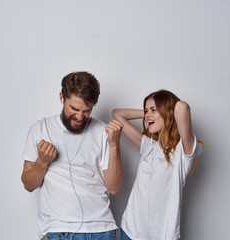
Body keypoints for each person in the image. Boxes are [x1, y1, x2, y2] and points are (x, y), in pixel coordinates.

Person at [21, 71, 124, 240]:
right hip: (59, 230)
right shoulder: (40, 129)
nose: (79, 116)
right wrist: (42, 161)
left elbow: (114, 187)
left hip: (102, 230)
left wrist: (114, 145)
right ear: (62, 97)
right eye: (74, 108)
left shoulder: (103, 131)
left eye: (87, 110)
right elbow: (28, 184)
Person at [113, 89, 203, 240]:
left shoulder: (183, 150)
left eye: (153, 110)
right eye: (146, 110)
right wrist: (150, 114)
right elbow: (117, 114)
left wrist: (163, 112)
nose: (147, 115)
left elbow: (182, 107)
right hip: (130, 232)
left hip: (162, 236)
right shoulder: (148, 146)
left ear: (168, 112)